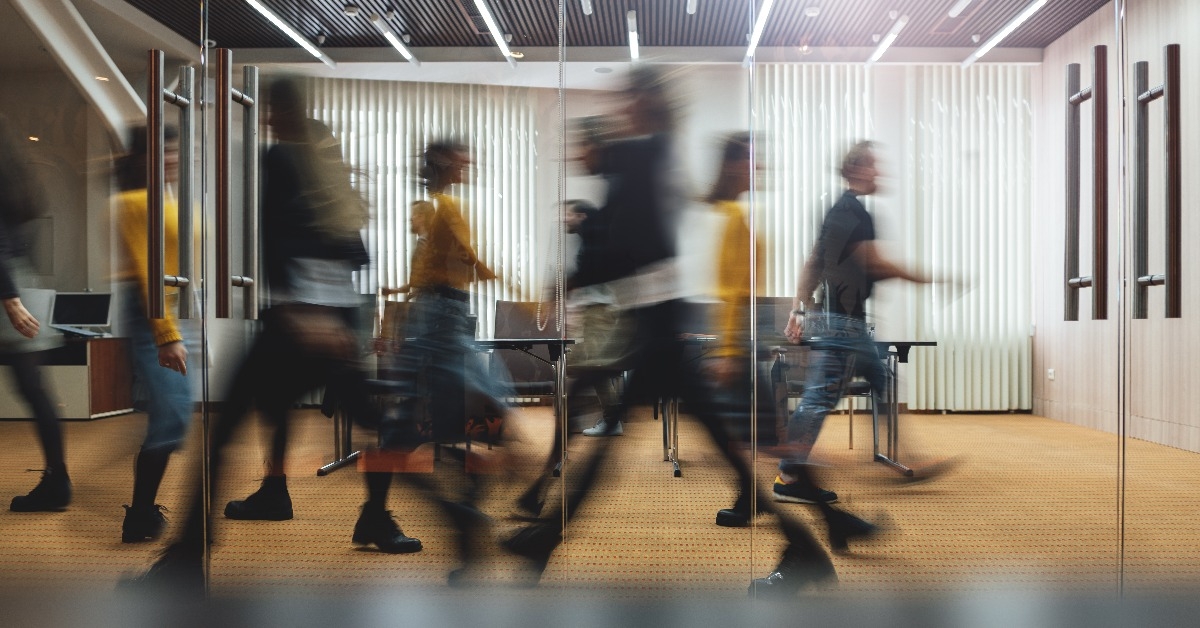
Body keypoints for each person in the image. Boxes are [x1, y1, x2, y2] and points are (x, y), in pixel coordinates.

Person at [503, 67, 869, 598]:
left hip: (661, 328)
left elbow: (635, 245)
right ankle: (812, 542)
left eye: (628, 98)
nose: (620, 108)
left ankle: (546, 539)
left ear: (646, 102)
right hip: (657, 326)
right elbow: (644, 242)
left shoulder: (648, 155)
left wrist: (576, 278)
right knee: (714, 448)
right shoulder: (657, 155)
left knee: (641, 448)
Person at [367, 139, 510, 583]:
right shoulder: (445, 206)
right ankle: (459, 513)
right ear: (447, 163)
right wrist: (495, 273)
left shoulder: (441, 207)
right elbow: (467, 260)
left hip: (443, 316)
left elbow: (432, 273)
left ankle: (383, 514)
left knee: (425, 422)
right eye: (464, 159)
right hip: (442, 319)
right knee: (483, 416)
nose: (471, 165)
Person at [775, 140, 931, 505]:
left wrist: (799, 310)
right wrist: (928, 279)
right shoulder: (855, 213)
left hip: (843, 321)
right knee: (819, 398)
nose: (880, 172)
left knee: (880, 379)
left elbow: (813, 262)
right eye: (874, 165)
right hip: (842, 323)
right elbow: (876, 264)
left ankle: (899, 456)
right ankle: (789, 475)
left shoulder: (837, 211)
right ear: (857, 169)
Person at [112, 124, 195, 543]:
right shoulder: (136, 201)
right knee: (172, 414)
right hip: (149, 310)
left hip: (167, 309)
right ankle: (140, 515)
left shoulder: (163, 197)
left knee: (173, 413)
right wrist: (166, 334)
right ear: (146, 159)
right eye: (166, 152)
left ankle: (142, 512)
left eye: (176, 151)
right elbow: (148, 272)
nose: (174, 159)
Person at [0, 115, 71, 512]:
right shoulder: (16, 183)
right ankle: (56, 479)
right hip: (21, 282)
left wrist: (10, 302)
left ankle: (57, 481)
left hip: (6, 290)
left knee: (33, 390)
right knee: (34, 390)